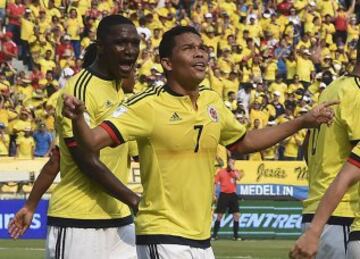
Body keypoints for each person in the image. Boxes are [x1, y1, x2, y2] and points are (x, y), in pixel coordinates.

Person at [62, 26, 336, 259]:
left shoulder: (211, 100)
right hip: (163, 235)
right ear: (167, 62)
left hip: (202, 240)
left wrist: (301, 121)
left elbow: (244, 141)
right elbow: (92, 142)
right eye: (189, 48)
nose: (200, 54)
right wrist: (78, 119)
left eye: (203, 48)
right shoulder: (147, 104)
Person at [8, 15, 141, 259]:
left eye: (135, 43)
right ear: (101, 46)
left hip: (120, 221)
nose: (130, 50)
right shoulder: (78, 91)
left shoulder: (124, 94)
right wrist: (135, 200)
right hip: (78, 222)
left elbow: (138, 154)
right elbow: (86, 160)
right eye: (122, 43)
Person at [289, 43, 360, 259]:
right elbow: (354, 167)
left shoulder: (333, 88)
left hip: (316, 209)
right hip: (341, 214)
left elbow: (306, 148)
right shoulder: (357, 94)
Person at [212, 159, 243, 241]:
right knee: (220, 216)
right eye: (231, 163)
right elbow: (215, 183)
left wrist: (233, 169)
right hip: (224, 194)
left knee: (236, 215)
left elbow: (238, 178)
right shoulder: (221, 172)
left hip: (233, 194)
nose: (232, 164)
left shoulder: (235, 172)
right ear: (228, 163)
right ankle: (214, 235)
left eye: (233, 163)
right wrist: (214, 194)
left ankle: (235, 236)